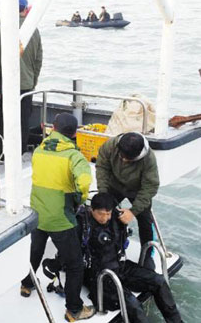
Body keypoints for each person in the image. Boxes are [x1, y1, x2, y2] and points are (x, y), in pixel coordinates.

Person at [20, 113, 95, 321]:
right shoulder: (73, 156)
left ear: (53, 128)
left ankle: (26, 285)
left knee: (35, 252)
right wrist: (80, 198)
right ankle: (74, 309)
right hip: (60, 218)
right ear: (74, 133)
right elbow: (85, 180)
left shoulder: (38, 150)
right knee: (75, 264)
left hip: (37, 213)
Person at [78, 192, 182, 323]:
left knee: (159, 281)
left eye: (108, 214)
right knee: (133, 305)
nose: (104, 218)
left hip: (120, 266)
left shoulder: (116, 219)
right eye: (100, 214)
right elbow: (69, 255)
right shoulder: (82, 225)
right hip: (100, 276)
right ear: (91, 210)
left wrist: (130, 214)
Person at [0, 0, 42, 164]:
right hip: (28, 83)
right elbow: (38, 59)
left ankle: (0, 153)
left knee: (2, 120)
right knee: (23, 119)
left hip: (9, 84)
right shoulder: (34, 29)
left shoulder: (2, 30)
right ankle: (20, 150)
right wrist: (33, 80)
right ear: (25, 10)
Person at [96, 132, 160, 270]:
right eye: (122, 157)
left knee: (145, 220)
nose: (124, 161)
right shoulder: (110, 145)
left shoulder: (148, 159)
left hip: (137, 189)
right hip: (114, 184)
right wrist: (103, 193)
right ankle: (103, 246)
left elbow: (151, 186)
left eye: (129, 160)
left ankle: (147, 254)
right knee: (104, 211)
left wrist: (133, 211)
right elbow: (102, 166)